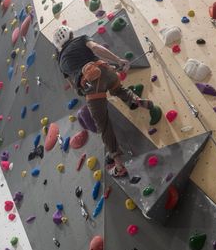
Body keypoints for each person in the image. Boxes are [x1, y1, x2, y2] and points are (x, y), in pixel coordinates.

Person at [54, 25, 153, 177]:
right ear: (71, 34)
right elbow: (97, 49)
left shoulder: (61, 63)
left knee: (104, 125)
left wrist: (83, 91)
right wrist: (118, 60)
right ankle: (135, 99)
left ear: (59, 47)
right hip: (106, 70)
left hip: (90, 82)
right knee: (118, 89)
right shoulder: (81, 40)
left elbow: (74, 86)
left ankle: (119, 166)